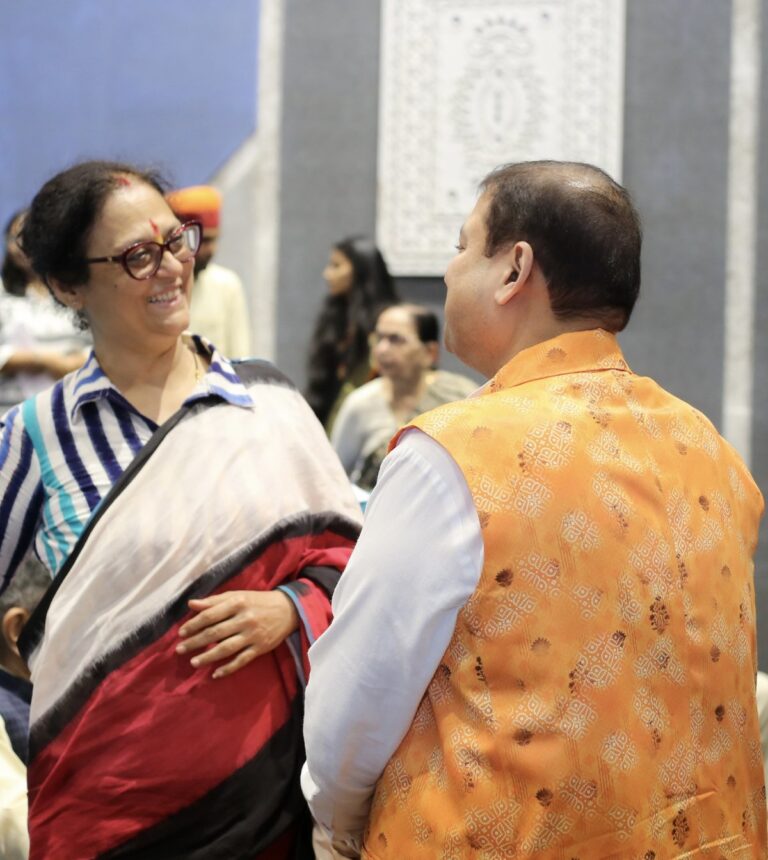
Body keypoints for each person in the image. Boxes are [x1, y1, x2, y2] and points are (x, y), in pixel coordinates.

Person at [301, 160, 767, 856]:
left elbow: (353, 710)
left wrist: (334, 825)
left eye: (462, 246)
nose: (452, 270)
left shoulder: (453, 454)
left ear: (514, 269)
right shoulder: (708, 446)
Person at [0, 160, 362, 859]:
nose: (170, 269)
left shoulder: (271, 408)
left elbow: (359, 565)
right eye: (137, 256)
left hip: (268, 803)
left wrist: (290, 608)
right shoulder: (36, 437)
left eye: (176, 241)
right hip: (102, 814)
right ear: (69, 285)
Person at [331, 304, 476, 490]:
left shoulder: (460, 398)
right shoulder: (360, 404)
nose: (382, 349)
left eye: (396, 340)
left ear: (429, 352)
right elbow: (336, 477)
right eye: (379, 338)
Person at [305, 236, 399, 431]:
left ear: (360, 270)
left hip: (373, 425)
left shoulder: (388, 323)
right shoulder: (336, 318)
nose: (327, 274)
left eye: (336, 266)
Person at [0, 211, 89, 411]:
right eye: (16, 239)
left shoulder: (78, 290)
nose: (24, 246)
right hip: (10, 410)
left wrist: (78, 361)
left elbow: (105, 343)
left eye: (32, 238)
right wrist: (43, 361)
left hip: (73, 405)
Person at [166, 184, 252, 357]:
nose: (210, 249)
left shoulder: (227, 285)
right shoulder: (160, 287)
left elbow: (240, 358)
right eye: (203, 241)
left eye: (213, 240)